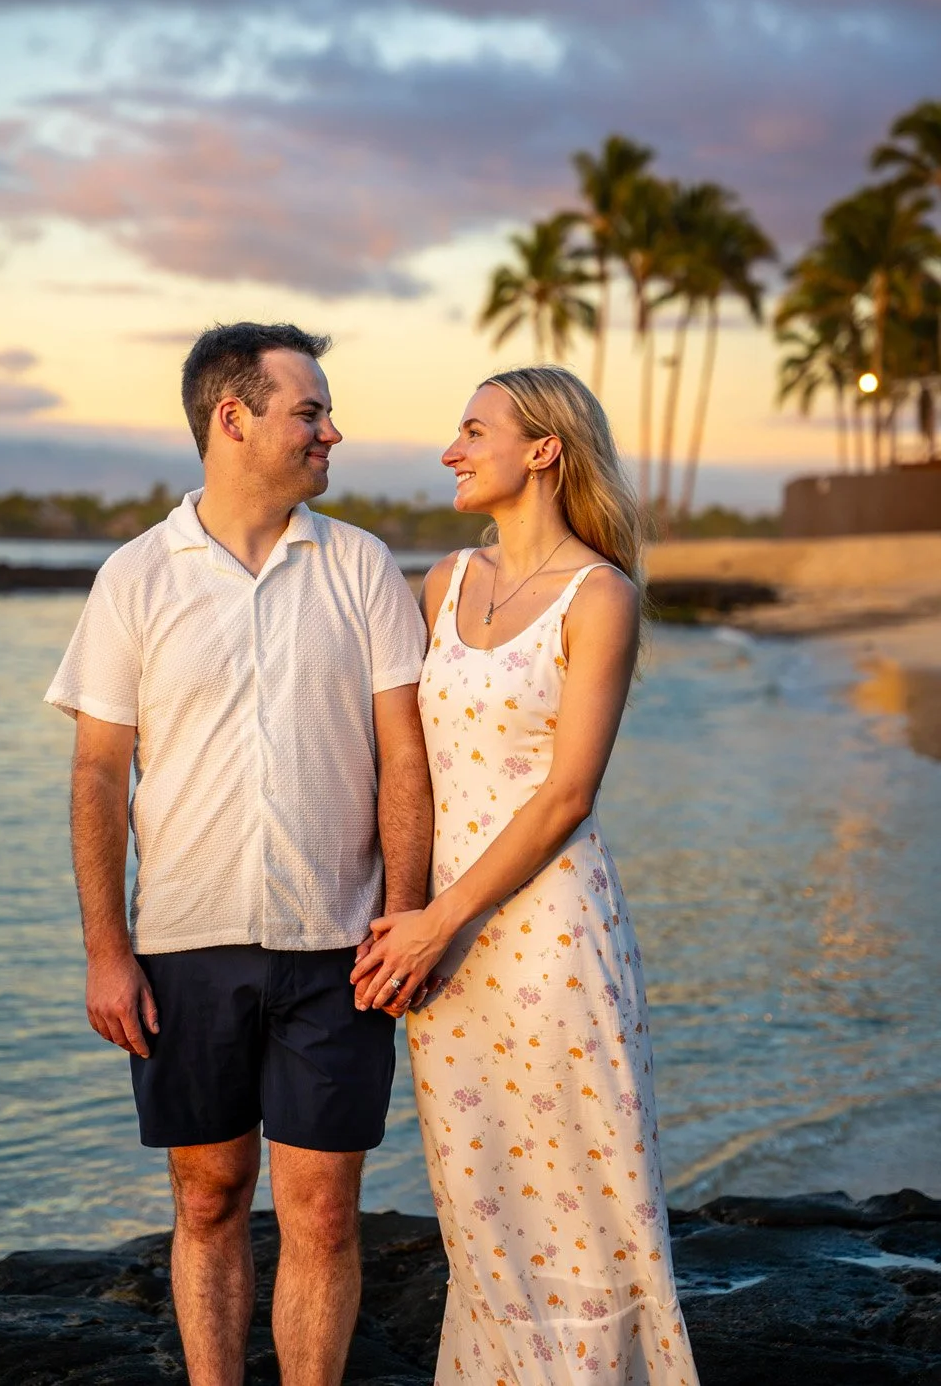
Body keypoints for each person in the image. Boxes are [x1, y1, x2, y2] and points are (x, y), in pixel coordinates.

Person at [45, 322, 432, 1386]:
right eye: (310, 411)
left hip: (338, 950)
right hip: (181, 950)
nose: (330, 431)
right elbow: (95, 776)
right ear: (234, 418)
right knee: (207, 1197)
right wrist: (104, 952)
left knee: (321, 1212)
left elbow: (406, 758)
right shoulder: (134, 578)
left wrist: (406, 914)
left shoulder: (359, 567)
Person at [352, 366, 699, 1384]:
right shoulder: (443, 582)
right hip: (444, 946)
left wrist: (438, 919)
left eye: (472, 431)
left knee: (579, 1196)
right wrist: (402, 912)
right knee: (480, 1199)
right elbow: (403, 762)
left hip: (546, 936)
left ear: (541, 450)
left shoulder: (602, 598)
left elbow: (565, 796)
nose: (451, 451)